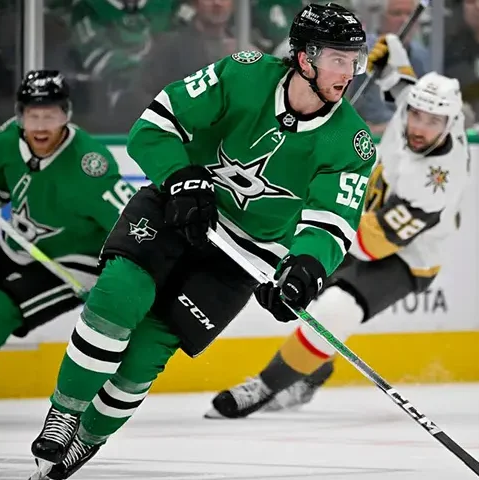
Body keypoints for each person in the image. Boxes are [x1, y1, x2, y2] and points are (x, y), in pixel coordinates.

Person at [27, 3, 375, 479]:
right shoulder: (243, 74)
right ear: (304, 57)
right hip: (180, 206)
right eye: (339, 58)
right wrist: (182, 177)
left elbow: (331, 222)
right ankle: (64, 412)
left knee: (145, 355)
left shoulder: (352, 142)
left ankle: (87, 438)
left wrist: (304, 269)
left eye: (354, 59)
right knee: (118, 296)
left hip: (245, 253)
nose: (349, 71)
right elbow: (154, 126)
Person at [204, 34, 470, 419]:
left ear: (450, 123)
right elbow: (401, 80)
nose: (419, 127)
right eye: (416, 115)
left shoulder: (437, 183)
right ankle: (310, 373)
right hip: (365, 227)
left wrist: (319, 235)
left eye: (432, 122)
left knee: (335, 308)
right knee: (304, 286)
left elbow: (370, 244)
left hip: (405, 258)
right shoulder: (420, 107)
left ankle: (265, 387)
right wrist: (390, 51)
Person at [0, 70, 135, 411]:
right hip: (19, 246)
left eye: (50, 115)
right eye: (33, 115)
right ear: (19, 115)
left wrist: (123, 280)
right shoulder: (7, 140)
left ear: (66, 115)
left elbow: (130, 224)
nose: (41, 126)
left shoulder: (91, 167)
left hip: (73, 261)